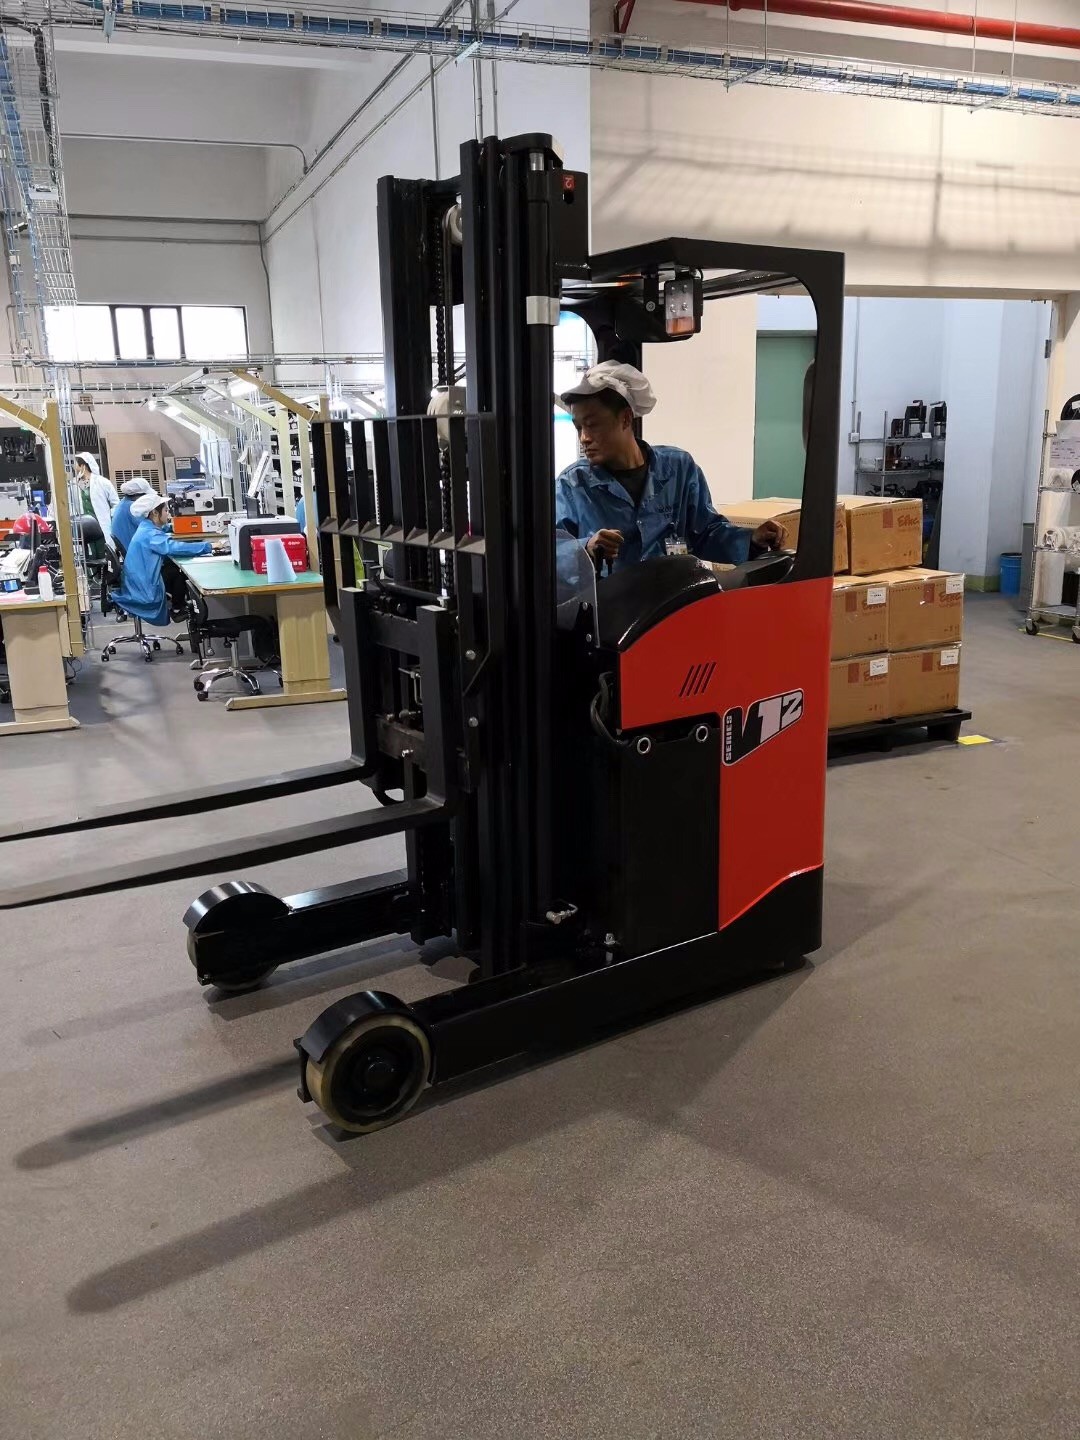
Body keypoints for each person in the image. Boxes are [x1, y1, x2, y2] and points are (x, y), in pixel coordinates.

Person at [555, 361, 785, 571]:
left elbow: (705, 532)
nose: (584, 438)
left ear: (625, 418)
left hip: (675, 596)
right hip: (612, 601)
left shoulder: (678, 469)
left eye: (593, 425)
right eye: (578, 428)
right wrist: (587, 547)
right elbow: (552, 551)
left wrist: (751, 539)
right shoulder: (572, 485)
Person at [115, 491, 211, 627]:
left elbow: (162, 530)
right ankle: (178, 609)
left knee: (172, 566)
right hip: (145, 590)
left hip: (137, 582)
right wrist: (208, 546)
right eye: (166, 510)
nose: (168, 514)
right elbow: (174, 548)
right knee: (180, 572)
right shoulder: (150, 535)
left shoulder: (145, 526)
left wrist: (175, 526)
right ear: (155, 513)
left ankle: (178, 606)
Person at [74, 451, 120, 548]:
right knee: (87, 554)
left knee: (104, 552)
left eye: (76, 464)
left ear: (83, 466)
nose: (74, 467)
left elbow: (116, 504)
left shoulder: (103, 482)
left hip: (102, 528)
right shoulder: (73, 485)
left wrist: (109, 516)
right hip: (84, 531)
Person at [111, 477, 155, 553]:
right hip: (136, 553)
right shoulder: (133, 508)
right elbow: (151, 530)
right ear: (137, 495)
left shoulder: (123, 503)